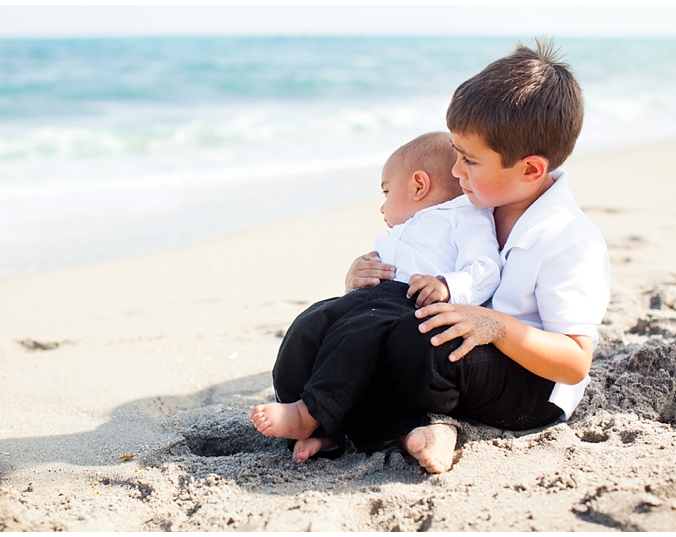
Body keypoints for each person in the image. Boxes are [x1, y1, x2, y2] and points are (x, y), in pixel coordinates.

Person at [339, 40, 611, 474]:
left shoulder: (569, 239)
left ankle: (427, 425)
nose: (455, 171)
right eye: (455, 153)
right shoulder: (474, 205)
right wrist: (367, 275)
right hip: (463, 353)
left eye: (468, 160)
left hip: (530, 387)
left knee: (416, 341)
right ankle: (401, 426)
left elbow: (575, 362)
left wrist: (495, 327)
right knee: (350, 326)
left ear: (530, 170)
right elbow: (417, 260)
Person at [249, 132, 502, 463]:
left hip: (408, 302)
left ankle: (309, 412)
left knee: (357, 334)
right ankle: (323, 432)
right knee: (311, 324)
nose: (382, 206)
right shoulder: (403, 230)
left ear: (418, 186)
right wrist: (357, 273)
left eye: (386, 192)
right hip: (371, 300)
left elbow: (486, 268)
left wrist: (447, 285)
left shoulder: (465, 215)